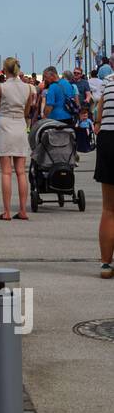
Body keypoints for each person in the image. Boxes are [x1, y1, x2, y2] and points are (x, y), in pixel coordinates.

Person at [0, 56, 34, 220]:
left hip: (5, 125)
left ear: (4, 70)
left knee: (6, 172)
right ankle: (23, 210)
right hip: (19, 126)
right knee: (21, 172)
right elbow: (26, 111)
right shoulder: (29, 88)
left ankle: (7, 211)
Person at [94, 66, 114, 276]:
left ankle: (106, 264)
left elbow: (98, 115)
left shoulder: (109, 82)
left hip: (109, 139)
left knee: (109, 209)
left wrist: (99, 123)